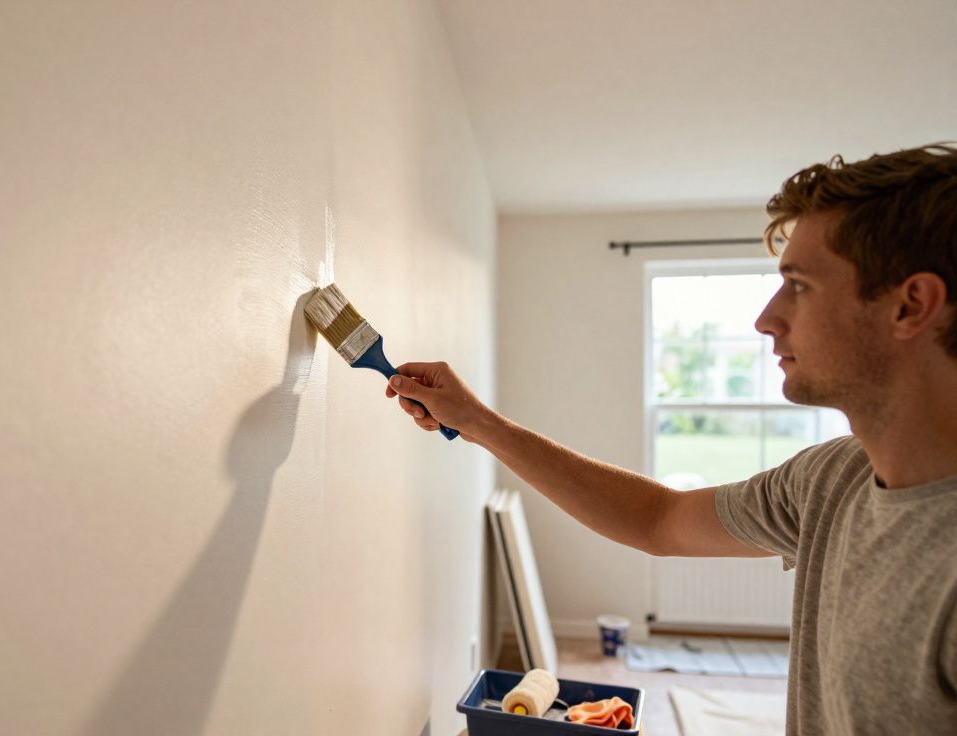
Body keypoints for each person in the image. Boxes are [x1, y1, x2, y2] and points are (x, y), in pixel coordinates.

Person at [386, 143, 957, 735]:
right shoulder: (830, 481)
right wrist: (478, 421)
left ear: (909, 305)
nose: (767, 318)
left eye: (800, 285)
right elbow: (657, 518)